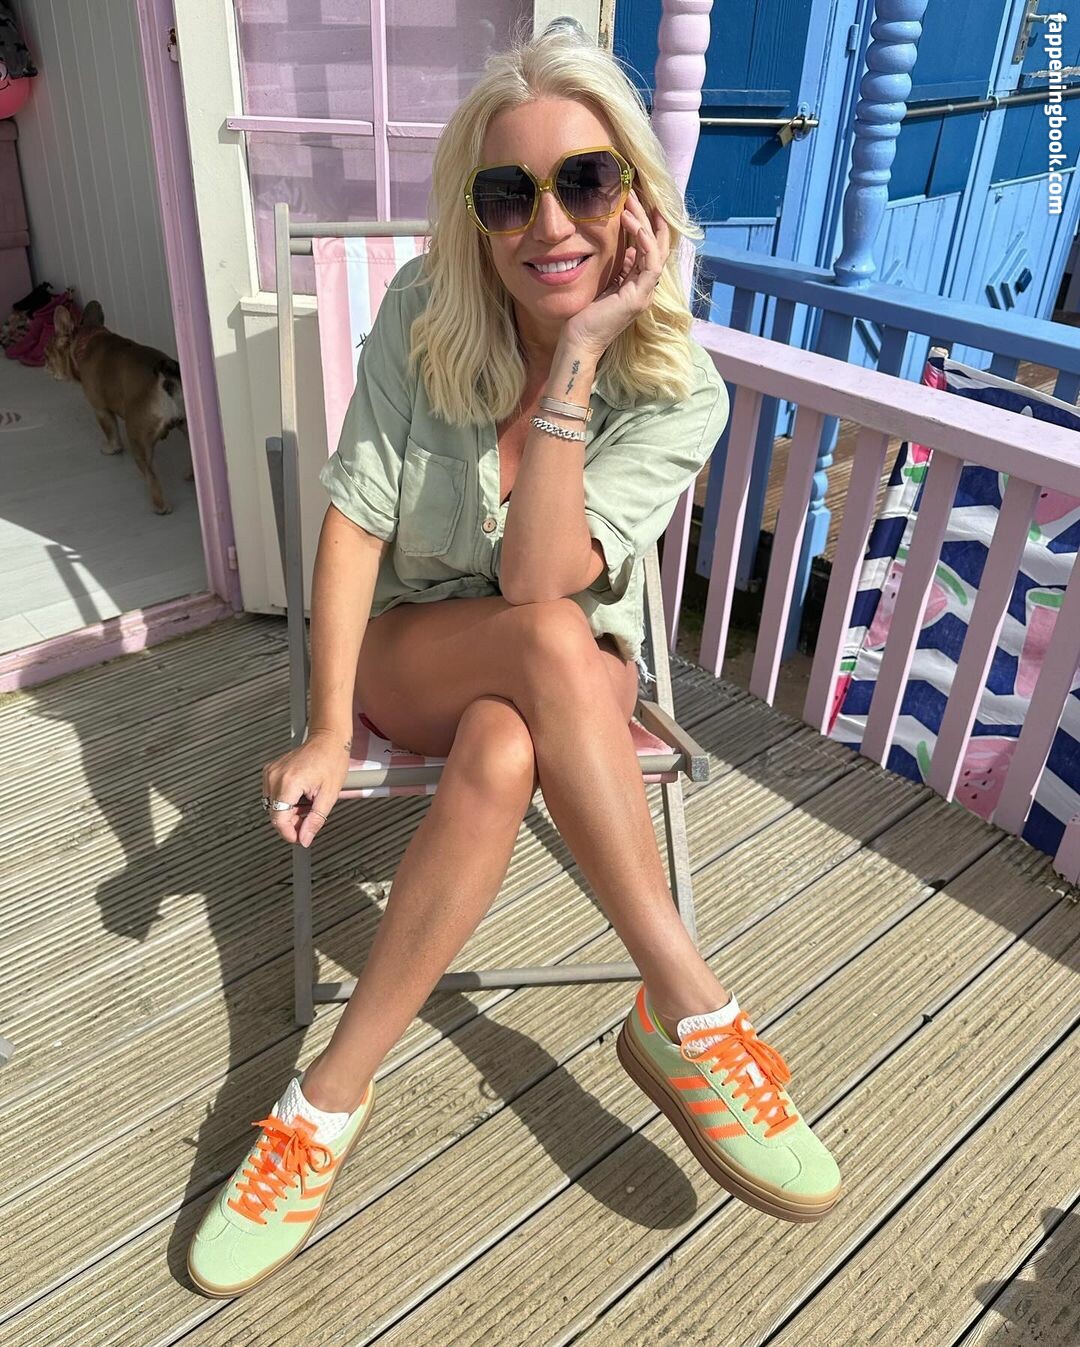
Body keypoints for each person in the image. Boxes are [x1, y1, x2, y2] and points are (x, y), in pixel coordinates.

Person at [187, 25, 841, 1298]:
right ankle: (688, 1006)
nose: (549, 223)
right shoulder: (423, 315)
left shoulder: (679, 387)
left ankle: (324, 1103)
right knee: (536, 649)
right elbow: (356, 523)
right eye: (508, 193)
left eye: (585, 182)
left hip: (567, 671)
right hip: (416, 653)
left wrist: (583, 356)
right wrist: (328, 727)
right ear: (475, 217)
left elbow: (546, 578)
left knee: (509, 733)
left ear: (635, 196)